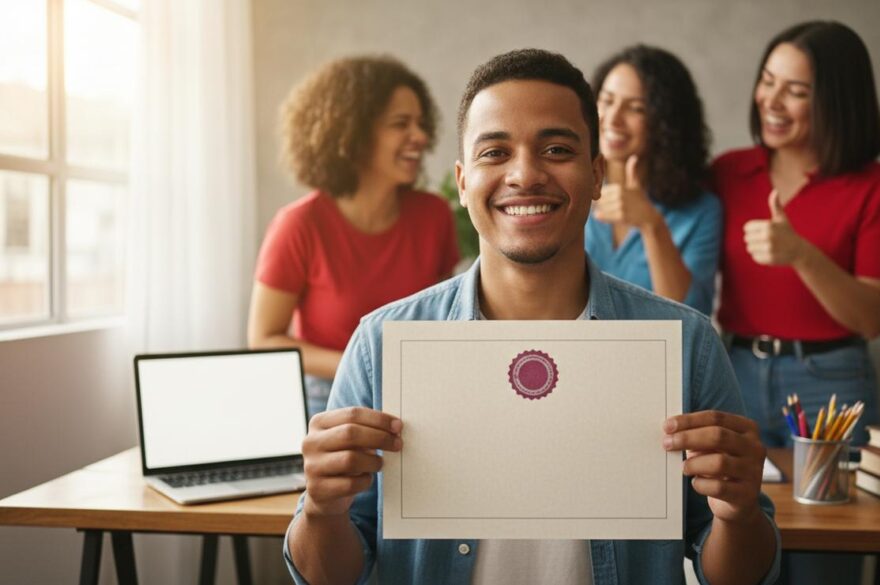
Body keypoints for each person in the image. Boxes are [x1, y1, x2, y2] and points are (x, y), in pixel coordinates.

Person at [284, 49, 780, 585]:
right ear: (463, 179)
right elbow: (325, 576)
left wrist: (739, 514)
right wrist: (320, 510)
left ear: (596, 176)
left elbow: (743, 575)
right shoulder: (382, 344)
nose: (525, 174)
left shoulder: (687, 345)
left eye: (557, 148)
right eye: (495, 151)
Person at [712, 21, 880, 585]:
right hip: (737, 372)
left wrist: (801, 253)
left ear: (837, 101)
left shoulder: (877, 186)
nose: (771, 101)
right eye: (767, 82)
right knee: (741, 545)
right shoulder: (729, 171)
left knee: (828, 556)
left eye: (795, 91)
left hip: (832, 382)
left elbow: (874, 316)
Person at [248, 57, 460, 416]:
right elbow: (264, 339)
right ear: (353, 134)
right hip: (327, 398)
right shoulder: (299, 225)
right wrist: (362, 366)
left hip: (417, 393)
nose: (421, 137)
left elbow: (444, 317)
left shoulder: (433, 214)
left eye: (422, 124)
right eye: (400, 124)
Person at [585, 45, 721, 314]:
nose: (613, 118)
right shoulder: (572, 189)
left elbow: (686, 319)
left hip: (663, 354)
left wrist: (651, 225)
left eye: (636, 108)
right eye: (607, 101)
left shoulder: (700, 212)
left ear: (666, 122)